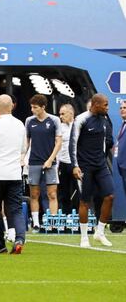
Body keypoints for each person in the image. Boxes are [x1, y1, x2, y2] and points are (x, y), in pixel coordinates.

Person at [70, 93, 114, 248]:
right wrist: (75, 165)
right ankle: (83, 238)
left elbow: (106, 141)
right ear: (95, 104)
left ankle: (99, 232)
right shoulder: (81, 119)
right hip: (84, 167)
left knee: (109, 196)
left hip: (100, 165)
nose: (107, 108)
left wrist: (103, 159)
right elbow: (73, 143)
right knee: (84, 201)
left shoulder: (104, 120)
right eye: (105, 105)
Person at [0, 95, 26, 254]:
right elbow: (23, 149)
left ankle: (0, 244)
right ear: (12, 107)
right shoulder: (20, 125)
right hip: (14, 173)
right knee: (15, 209)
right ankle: (20, 238)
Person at [25, 94, 62, 233]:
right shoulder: (29, 121)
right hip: (33, 161)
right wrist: (23, 156)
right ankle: (35, 223)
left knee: (52, 194)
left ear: (43, 107)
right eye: (31, 107)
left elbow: (59, 142)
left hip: (50, 163)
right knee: (34, 194)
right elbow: (27, 140)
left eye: (35, 107)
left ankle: (53, 223)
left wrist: (50, 159)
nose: (32, 110)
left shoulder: (54, 120)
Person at [57, 104, 78, 214]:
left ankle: (79, 218)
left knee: (79, 191)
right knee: (64, 192)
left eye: (63, 114)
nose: (60, 116)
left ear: (71, 113)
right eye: (59, 114)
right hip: (64, 163)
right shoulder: (59, 127)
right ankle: (66, 217)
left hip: (77, 164)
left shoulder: (78, 125)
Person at [116, 100, 126, 197]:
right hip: (122, 167)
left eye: (125, 108)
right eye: (121, 108)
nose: (122, 110)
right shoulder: (123, 125)